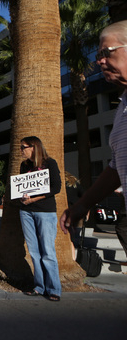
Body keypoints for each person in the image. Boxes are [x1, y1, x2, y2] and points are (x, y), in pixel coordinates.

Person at [61, 21, 127, 237]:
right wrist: (82, 205)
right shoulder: (122, 108)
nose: (99, 61)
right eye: (99, 55)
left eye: (106, 52)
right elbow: (116, 168)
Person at [18, 136, 61, 302]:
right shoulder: (24, 166)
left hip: (45, 211)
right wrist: (22, 198)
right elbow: (21, 186)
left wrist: (34, 199)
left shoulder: (50, 163)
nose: (21, 150)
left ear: (33, 147)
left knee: (48, 251)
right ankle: (39, 286)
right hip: (26, 212)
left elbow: (56, 187)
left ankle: (54, 289)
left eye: (23, 147)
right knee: (34, 252)